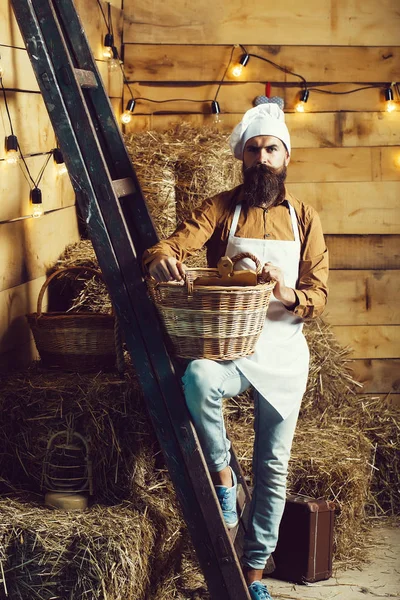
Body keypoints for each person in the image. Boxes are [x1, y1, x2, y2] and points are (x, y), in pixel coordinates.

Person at [143, 104, 328, 600]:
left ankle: (253, 576)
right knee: (198, 378)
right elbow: (171, 245)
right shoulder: (222, 208)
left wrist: (285, 293)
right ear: (242, 157)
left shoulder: (304, 217)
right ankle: (223, 473)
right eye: (254, 149)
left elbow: (318, 293)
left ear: (285, 157)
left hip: (285, 350)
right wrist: (162, 260)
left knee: (273, 464)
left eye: (271, 149)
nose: (262, 158)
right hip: (231, 347)